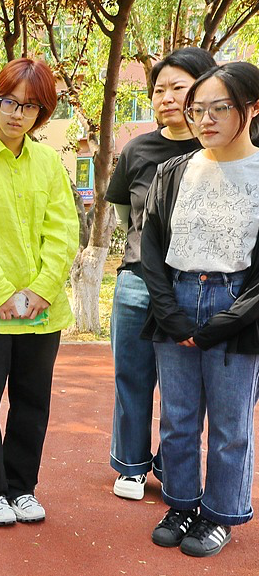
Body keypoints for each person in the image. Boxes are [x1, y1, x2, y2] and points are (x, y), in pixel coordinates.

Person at [139, 61, 259, 558]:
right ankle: (182, 503)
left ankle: (220, 513)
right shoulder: (174, 171)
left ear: (252, 110)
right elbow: (150, 248)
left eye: (219, 108)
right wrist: (173, 315)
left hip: (239, 307)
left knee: (231, 426)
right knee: (178, 418)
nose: (204, 119)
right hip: (177, 298)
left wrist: (218, 326)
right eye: (197, 109)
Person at [0, 58, 78, 527]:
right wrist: (2, 292)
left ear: (41, 114)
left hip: (42, 311)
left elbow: (64, 229)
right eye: (9, 101)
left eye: (29, 106)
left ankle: (21, 485)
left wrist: (43, 290)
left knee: (32, 400)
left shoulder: (49, 162)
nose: (16, 113)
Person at [105, 47, 217, 501]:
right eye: (158, 89)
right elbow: (122, 214)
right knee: (131, 376)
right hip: (135, 283)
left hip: (193, 287)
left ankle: (175, 464)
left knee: (185, 386)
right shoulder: (137, 150)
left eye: (178, 87)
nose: (166, 97)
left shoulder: (218, 148)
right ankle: (131, 465)